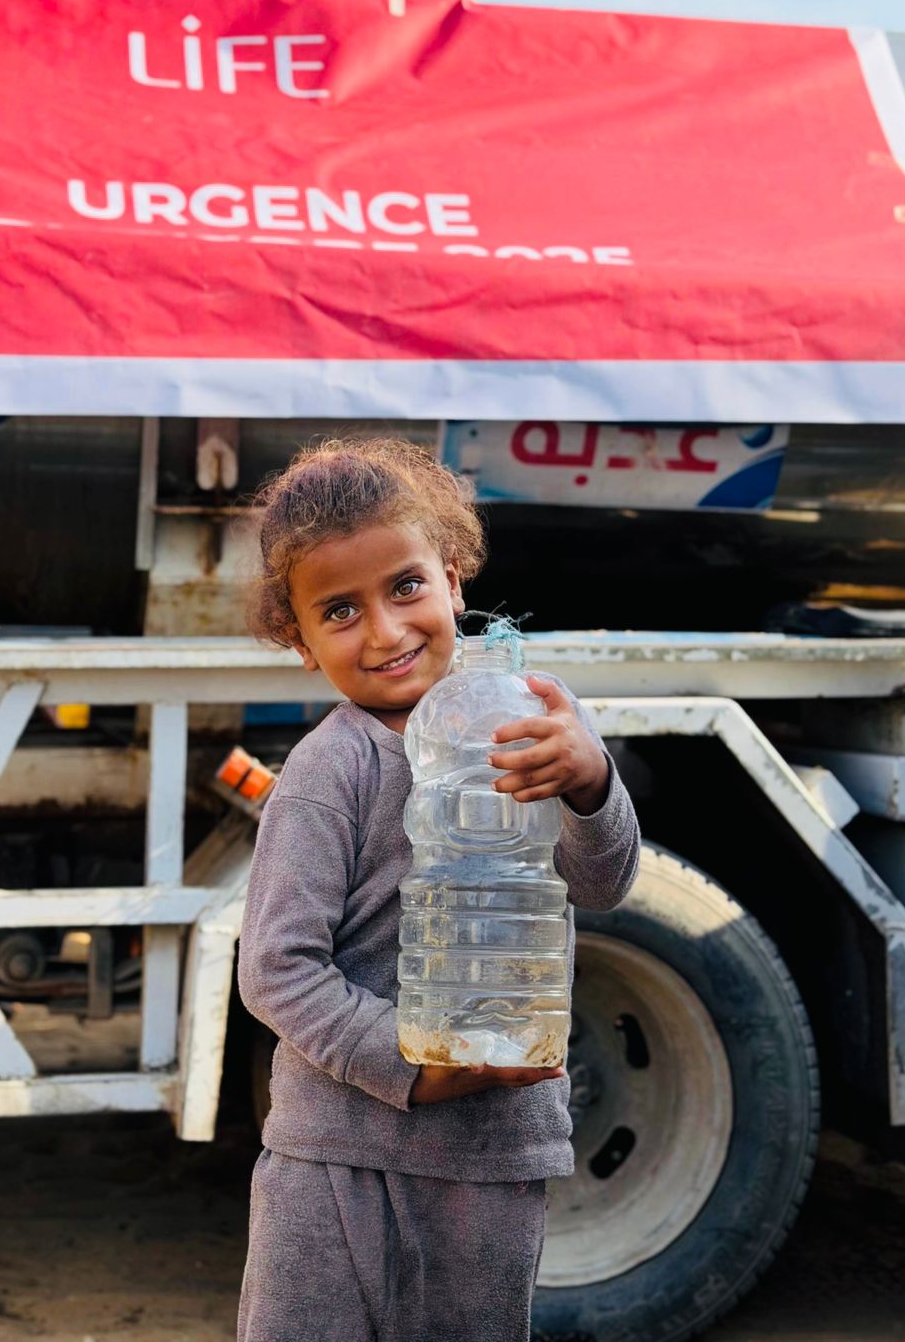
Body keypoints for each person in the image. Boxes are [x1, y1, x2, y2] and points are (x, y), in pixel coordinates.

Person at [236, 438, 640, 1342]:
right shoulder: (328, 772)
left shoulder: (526, 724)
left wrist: (590, 784)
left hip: (495, 1153)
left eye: (407, 587)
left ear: (453, 580)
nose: (385, 632)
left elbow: (602, 885)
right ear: (300, 640)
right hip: (335, 1162)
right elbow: (275, 969)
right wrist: (414, 1065)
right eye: (341, 610)